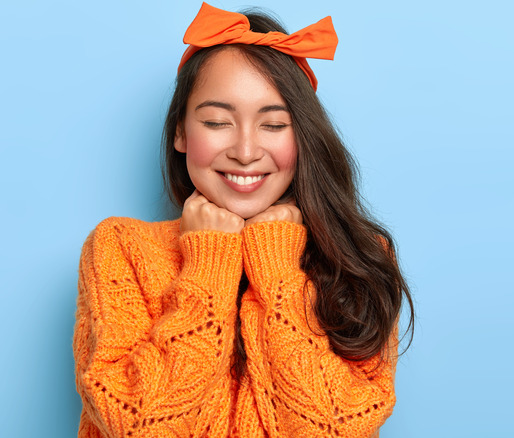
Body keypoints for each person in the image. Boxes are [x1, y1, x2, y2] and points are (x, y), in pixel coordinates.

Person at [72, 3, 413, 437]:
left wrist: (275, 268)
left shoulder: (359, 256)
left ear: (303, 136)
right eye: (217, 121)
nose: (246, 151)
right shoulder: (119, 248)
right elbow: (142, 426)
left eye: (273, 125)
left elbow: (335, 427)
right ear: (181, 132)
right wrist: (208, 265)